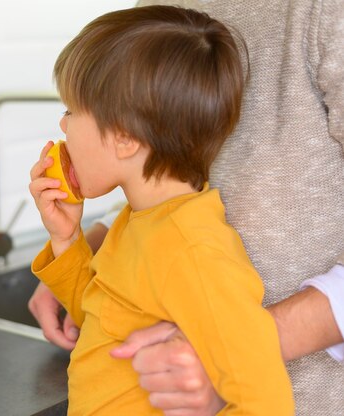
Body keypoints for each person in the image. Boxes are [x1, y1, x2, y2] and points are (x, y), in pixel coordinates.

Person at [29, 0, 344, 414]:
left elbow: (263, 396)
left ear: (125, 137)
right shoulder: (139, 223)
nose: (64, 126)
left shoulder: (191, 250)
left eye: (71, 110)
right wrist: (66, 240)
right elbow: (104, 320)